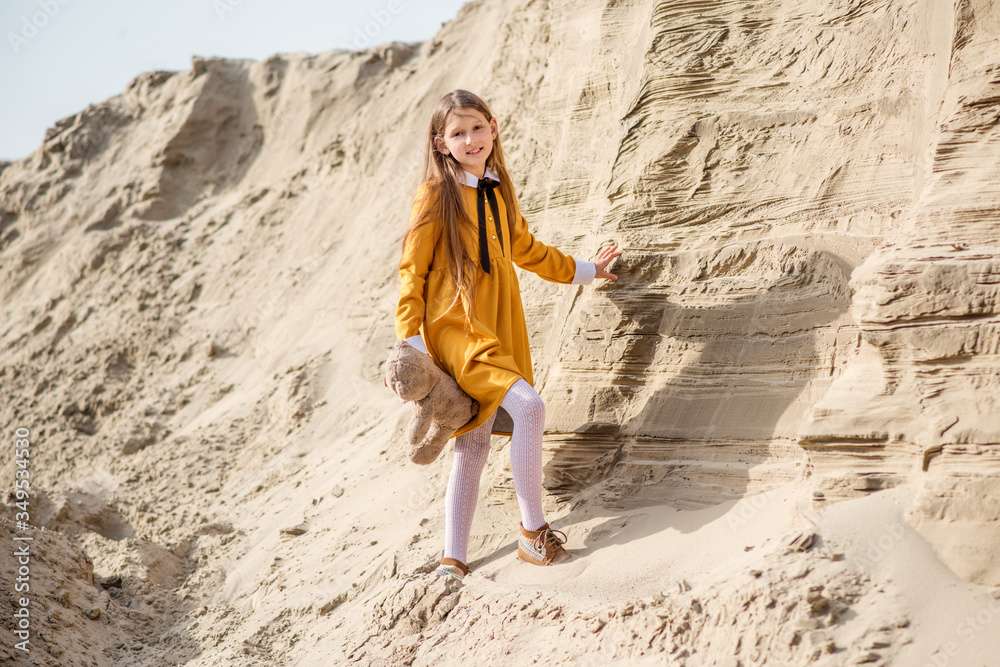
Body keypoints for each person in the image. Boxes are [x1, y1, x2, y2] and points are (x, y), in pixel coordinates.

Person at [394, 89, 622, 581]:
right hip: (457, 329)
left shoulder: (498, 188)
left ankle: (452, 558)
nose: (470, 139)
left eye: (477, 127)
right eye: (457, 133)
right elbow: (411, 269)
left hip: (501, 324)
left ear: (493, 127)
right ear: (440, 144)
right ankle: (532, 533)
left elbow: (526, 248)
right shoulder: (436, 194)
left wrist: (586, 270)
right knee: (529, 407)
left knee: (474, 443)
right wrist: (411, 342)